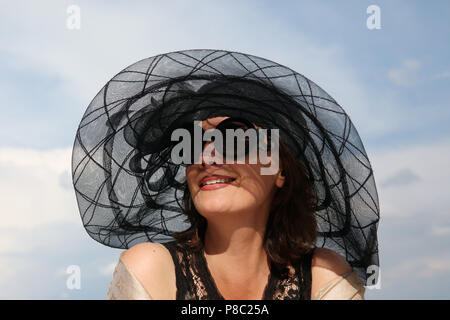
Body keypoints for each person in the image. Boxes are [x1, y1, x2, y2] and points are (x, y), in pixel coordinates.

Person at [72, 49, 379, 300]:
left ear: (281, 169)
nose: (206, 157)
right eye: (193, 144)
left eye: (236, 140)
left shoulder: (323, 276)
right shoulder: (151, 268)